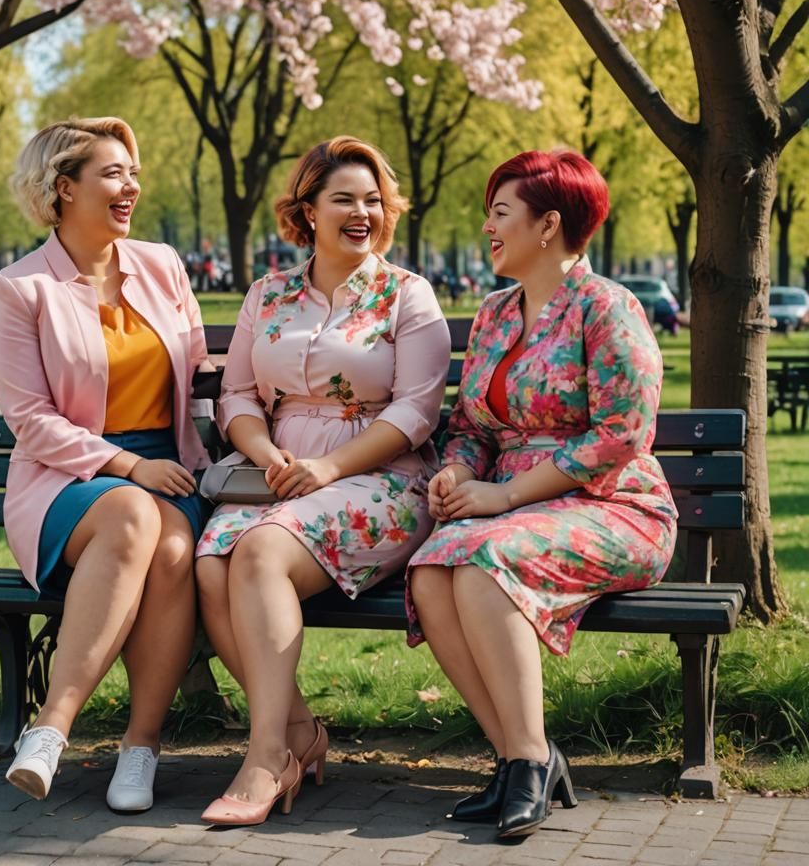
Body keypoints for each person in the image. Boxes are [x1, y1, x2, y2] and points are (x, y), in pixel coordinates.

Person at [406, 151, 678, 840]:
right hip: (515, 509)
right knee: (435, 569)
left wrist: (507, 496)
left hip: (616, 507)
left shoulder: (608, 308)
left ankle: (525, 759)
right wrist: (461, 474)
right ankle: (522, 756)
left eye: (501, 213)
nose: (488, 228)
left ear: (548, 224)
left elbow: (623, 433)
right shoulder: (495, 313)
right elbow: (471, 426)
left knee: (482, 559)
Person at [195, 136, 451, 826]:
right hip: (276, 474)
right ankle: (300, 734)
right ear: (307, 211)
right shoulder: (268, 294)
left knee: (258, 553)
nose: (362, 211)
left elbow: (416, 410)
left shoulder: (407, 295)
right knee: (214, 562)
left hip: (380, 479)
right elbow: (240, 396)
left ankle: (263, 758)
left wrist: (329, 468)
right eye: (344, 199)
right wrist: (267, 454)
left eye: (373, 200)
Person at [0, 117, 211, 812]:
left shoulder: (163, 264)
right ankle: (53, 729)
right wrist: (124, 465)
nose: (130, 187)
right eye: (112, 174)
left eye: (130, 173)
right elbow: (30, 420)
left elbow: (201, 371)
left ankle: (139, 752)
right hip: (66, 477)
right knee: (132, 515)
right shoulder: (21, 289)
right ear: (63, 189)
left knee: (173, 546)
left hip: (169, 468)